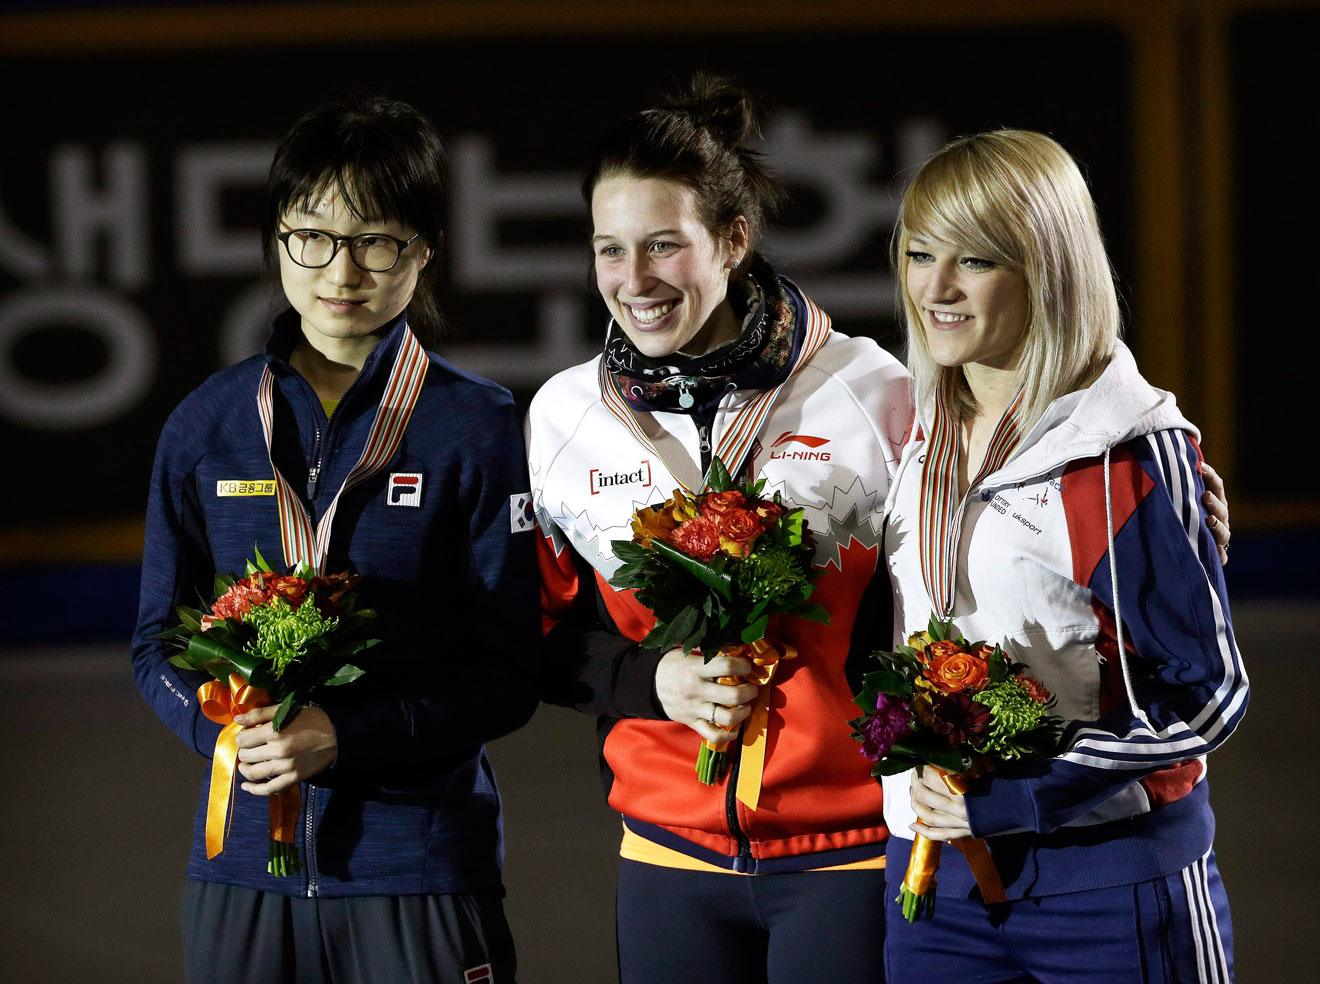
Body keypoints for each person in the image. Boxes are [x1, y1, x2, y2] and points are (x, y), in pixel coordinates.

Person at [131, 96, 538, 984]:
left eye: (377, 241)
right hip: (239, 876)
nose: (340, 270)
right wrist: (229, 738)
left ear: (424, 249)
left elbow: (511, 677)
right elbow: (155, 644)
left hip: (419, 868)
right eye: (311, 235)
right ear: (277, 239)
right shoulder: (207, 424)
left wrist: (347, 737)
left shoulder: (478, 427)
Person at [525, 74, 915, 982]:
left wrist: (1154, 482)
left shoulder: (871, 392)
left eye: (665, 246)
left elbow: (951, 588)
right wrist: (647, 677)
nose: (635, 281)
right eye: (610, 250)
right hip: (666, 856)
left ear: (734, 240)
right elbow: (538, 636)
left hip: (848, 850)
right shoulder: (562, 416)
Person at [880, 129, 1247, 983]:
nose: (935, 288)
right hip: (935, 889)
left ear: (1046, 269)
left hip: (1111, 883)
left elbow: (1210, 694)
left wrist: (1017, 795)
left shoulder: (1124, 452)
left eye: (974, 261)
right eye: (920, 253)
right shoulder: (906, 424)